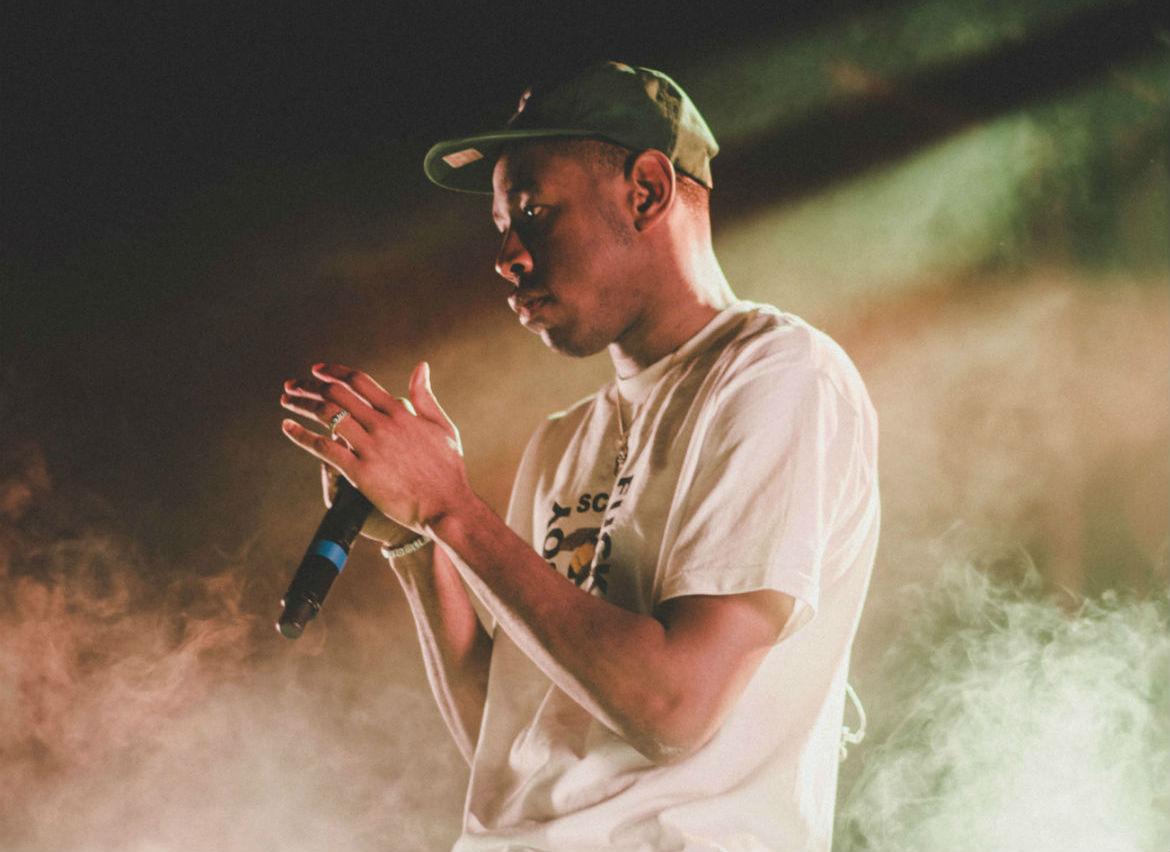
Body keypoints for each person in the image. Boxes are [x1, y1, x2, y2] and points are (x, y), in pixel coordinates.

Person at [280, 61, 879, 851]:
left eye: (534, 211)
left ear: (647, 192)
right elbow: (513, 748)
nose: (508, 256)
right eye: (500, 226)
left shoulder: (779, 375)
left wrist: (452, 509)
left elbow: (674, 708)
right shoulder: (565, 438)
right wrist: (414, 541)